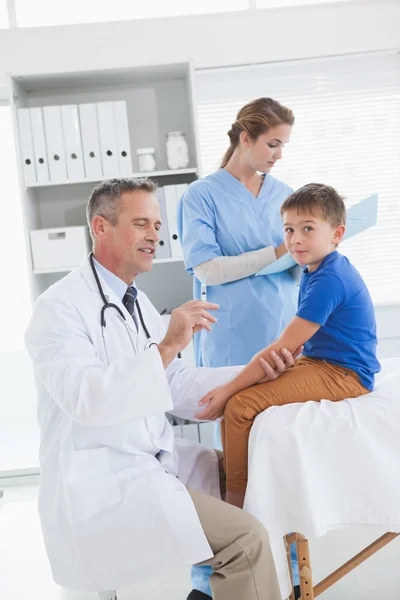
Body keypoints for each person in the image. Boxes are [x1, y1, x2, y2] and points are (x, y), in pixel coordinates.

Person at [24, 178, 297, 600]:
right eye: (141, 223)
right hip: (103, 481)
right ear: (101, 227)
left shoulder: (135, 300)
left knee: (251, 476)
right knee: (245, 541)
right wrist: (169, 345)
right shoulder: (58, 309)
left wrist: (257, 370)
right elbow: (88, 399)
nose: (155, 234)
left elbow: (178, 385)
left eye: (157, 224)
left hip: (151, 461)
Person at [177, 97, 302, 599]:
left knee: (283, 460)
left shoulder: (288, 195)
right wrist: (275, 251)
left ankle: (291, 571)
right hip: (231, 343)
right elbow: (208, 269)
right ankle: (208, 583)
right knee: (232, 468)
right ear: (244, 139)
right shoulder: (201, 197)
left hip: (283, 339)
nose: (278, 154)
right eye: (272, 143)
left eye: (284, 145)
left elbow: (300, 262)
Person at [195, 183, 381, 509]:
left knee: (237, 407)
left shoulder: (330, 279)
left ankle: (237, 504)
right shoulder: (316, 269)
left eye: (308, 229)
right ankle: (236, 478)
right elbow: (295, 345)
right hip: (320, 361)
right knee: (242, 395)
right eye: (289, 229)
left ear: (337, 234)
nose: (295, 239)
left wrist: (226, 390)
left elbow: (284, 342)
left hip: (345, 375)